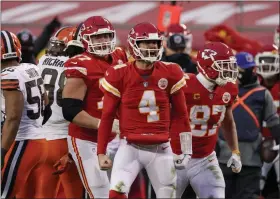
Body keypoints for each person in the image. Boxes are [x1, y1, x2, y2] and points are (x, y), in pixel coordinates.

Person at [97, 22, 192, 199]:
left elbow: (181, 115)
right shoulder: (119, 74)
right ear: (134, 44)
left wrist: (186, 149)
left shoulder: (171, 71)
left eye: (155, 43)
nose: (152, 46)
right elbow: (107, 116)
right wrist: (101, 152)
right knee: (116, 193)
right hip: (130, 147)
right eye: (146, 43)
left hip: (162, 148)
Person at [61, 16, 127, 198]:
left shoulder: (120, 57)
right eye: (97, 37)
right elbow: (70, 110)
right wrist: (103, 124)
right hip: (87, 140)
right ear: (85, 39)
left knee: (120, 191)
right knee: (101, 193)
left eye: (106, 36)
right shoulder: (80, 64)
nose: (103, 41)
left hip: (116, 138)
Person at [170, 41, 241, 198]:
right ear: (207, 66)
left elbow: (228, 123)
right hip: (175, 157)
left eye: (229, 65)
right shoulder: (183, 84)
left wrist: (235, 151)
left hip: (205, 159)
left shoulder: (228, 88)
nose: (228, 71)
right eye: (222, 66)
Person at [218, 52, 280, 199]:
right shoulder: (221, 90)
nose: (252, 72)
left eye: (252, 69)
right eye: (246, 69)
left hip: (251, 159)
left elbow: (274, 122)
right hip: (223, 157)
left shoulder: (263, 93)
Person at [1, 30, 50, 198]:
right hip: (41, 141)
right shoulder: (30, 68)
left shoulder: (8, 75)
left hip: (21, 143)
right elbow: (47, 103)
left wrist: (2, 151)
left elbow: (13, 117)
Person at [37, 26, 85, 198]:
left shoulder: (42, 60)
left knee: (43, 193)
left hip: (40, 139)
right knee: (72, 193)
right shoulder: (77, 66)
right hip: (65, 139)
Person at [255, 46, 280, 196]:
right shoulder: (253, 86)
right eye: (263, 61)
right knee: (256, 182)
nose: (266, 64)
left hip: (278, 141)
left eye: (270, 60)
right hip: (259, 142)